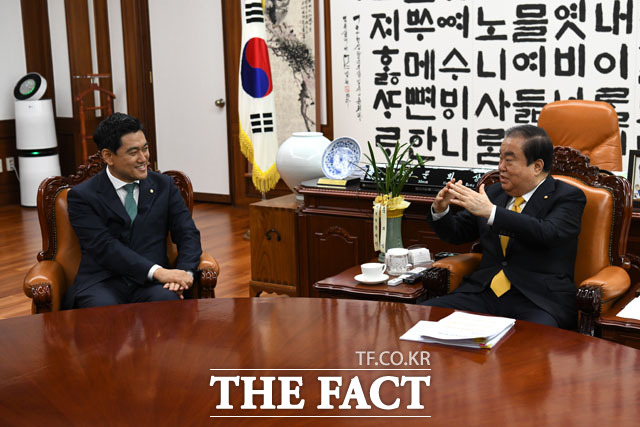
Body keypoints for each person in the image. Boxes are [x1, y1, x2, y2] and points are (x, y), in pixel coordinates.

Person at [422, 125, 586, 329]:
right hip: (483, 293)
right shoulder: (493, 193)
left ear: (537, 166)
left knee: (534, 341)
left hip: (538, 300)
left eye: (509, 161)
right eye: (500, 159)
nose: (501, 167)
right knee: (422, 316)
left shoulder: (568, 196)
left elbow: (548, 233)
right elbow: (457, 233)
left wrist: (492, 213)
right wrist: (440, 210)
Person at [62, 113, 202, 309]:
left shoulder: (165, 186)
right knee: (102, 311)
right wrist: (158, 272)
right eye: (133, 152)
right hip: (103, 281)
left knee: (167, 305)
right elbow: (104, 247)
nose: (143, 158)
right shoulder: (82, 196)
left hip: (153, 285)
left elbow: (188, 233)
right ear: (108, 156)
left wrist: (184, 273)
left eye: (145, 148)